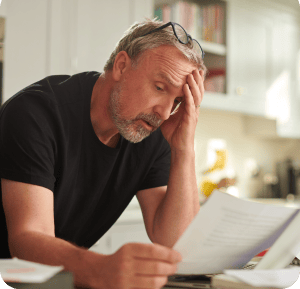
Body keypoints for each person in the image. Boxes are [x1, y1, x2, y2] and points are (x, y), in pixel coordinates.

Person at [0, 18, 207, 288]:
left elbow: (176, 243)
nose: (165, 113)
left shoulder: (149, 130)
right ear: (121, 66)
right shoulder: (35, 114)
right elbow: (26, 240)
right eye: (159, 87)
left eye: (178, 101)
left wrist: (183, 148)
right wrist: (101, 267)